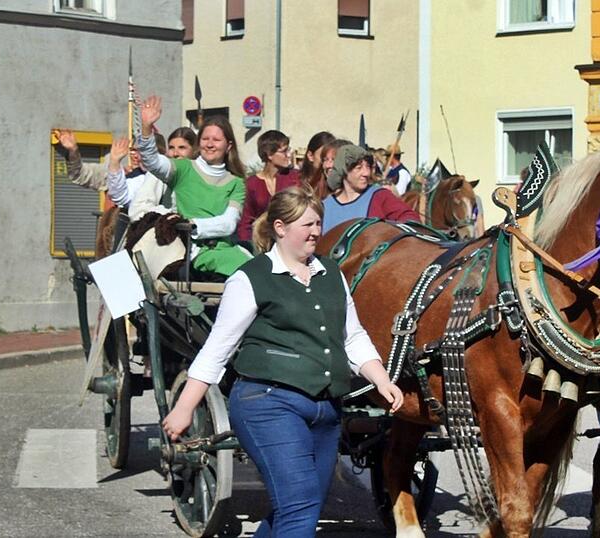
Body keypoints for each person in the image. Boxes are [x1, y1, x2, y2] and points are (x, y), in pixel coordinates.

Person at [161, 186, 403, 537]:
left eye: (318, 223)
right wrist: (185, 408)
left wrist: (381, 379)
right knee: (300, 505)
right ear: (280, 227)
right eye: (307, 224)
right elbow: (217, 349)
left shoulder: (331, 274)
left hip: (326, 410)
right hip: (268, 404)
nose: (316, 232)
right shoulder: (250, 279)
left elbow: (353, 336)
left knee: (300, 507)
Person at [136, 95, 251, 277]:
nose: (210, 144)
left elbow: (228, 224)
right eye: (205, 139)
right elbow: (152, 161)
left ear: (228, 146)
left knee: (259, 268)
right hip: (192, 252)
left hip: (226, 250)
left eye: (216, 140)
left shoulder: (236, 182)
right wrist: (146, 128)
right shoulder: (183, 168)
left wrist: (193, 224)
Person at [321, 144, 420, 235]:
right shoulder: (325, 207)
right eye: (359, 168)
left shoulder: (380, 196)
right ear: (344, 170)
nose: (366, 173)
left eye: (368, 167)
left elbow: (411, 220)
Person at [238, 130, 302, 242]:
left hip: (290, 239)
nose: (289, 155)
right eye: (284, 151)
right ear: (269, 154)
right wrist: (247, 247)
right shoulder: (252, 184)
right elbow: (245, 221)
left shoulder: (294, 177)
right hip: (262, 241)